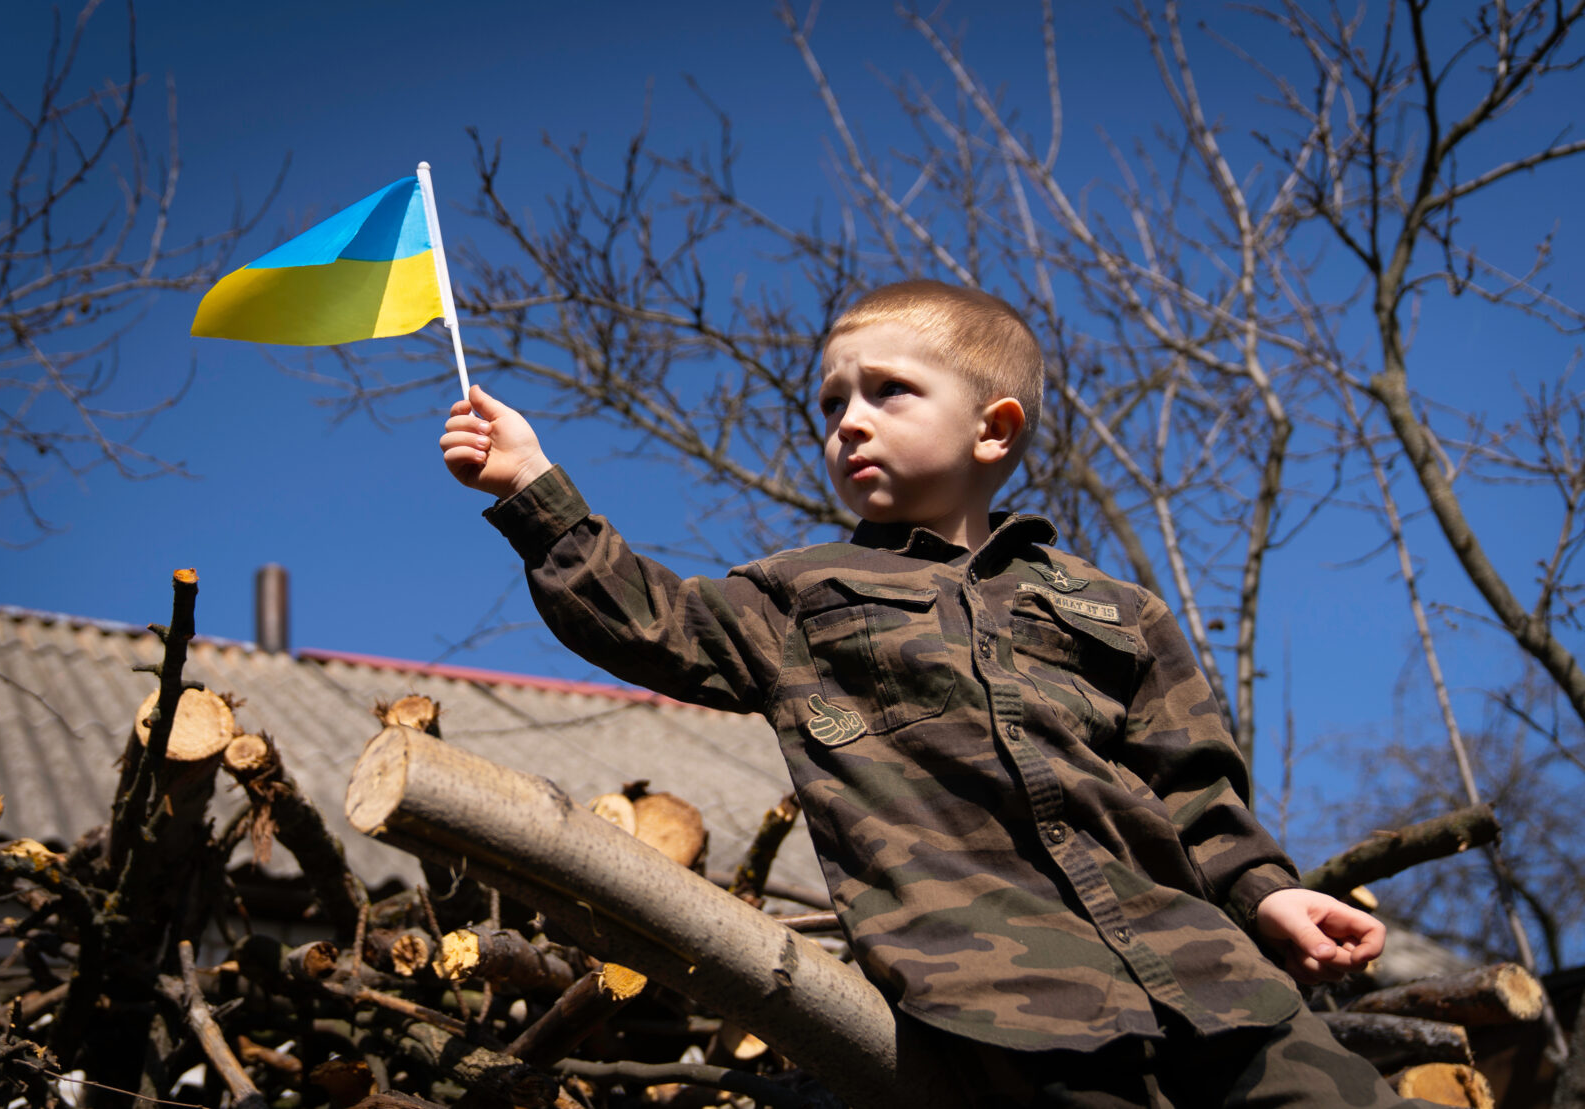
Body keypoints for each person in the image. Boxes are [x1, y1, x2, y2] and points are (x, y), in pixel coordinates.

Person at [440, 280, 1432, 1107]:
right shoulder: (797, 598)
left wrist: (1268, 892)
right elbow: (647, 619)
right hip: (1003, 999)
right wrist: (532, 488)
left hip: (1214, 980)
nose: (848, 421)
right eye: (831, 403)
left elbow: (1194, 788)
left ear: (993, 429)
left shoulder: (1115, 609)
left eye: (889, 392)